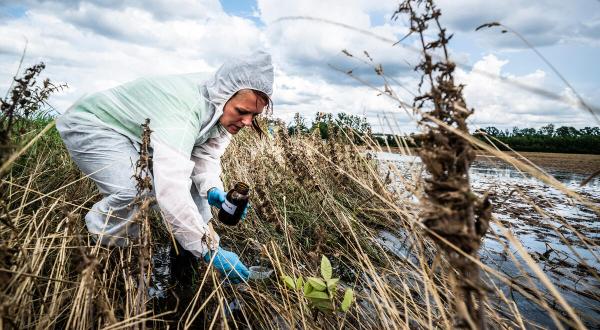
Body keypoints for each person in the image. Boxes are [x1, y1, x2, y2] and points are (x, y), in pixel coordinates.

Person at [56, 51, 274, 284]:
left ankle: (184, 274)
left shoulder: (222, 110)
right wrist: (209, 250)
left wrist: (211, 190)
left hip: (141, 134)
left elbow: (205, 156)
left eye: (254, 114)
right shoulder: (187, 107)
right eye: (242, 112)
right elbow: (171, 189)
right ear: (225, 96)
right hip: (94, 125)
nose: (248, 122)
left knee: (196, 198)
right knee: (136, 192)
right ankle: (100, 257)